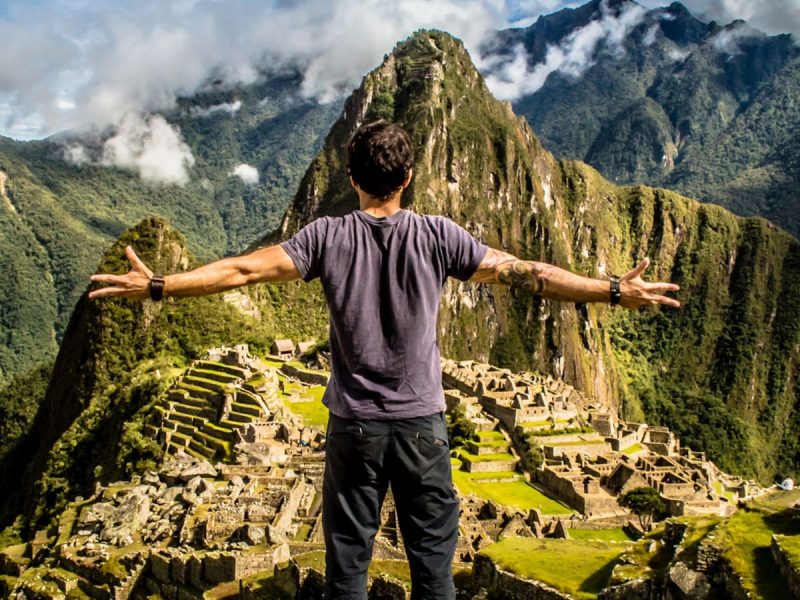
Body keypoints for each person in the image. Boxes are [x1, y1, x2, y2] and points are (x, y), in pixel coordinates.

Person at [89, 120, 680, 599]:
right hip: (423, 428)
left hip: (355, 429)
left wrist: (161, 286)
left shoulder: (324, 237)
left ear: (350, 176)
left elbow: (242, 269)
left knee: (347, 569)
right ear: (409, 176)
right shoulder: (437, 236)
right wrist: (612, 290)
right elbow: (526, 273)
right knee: (433, 571)